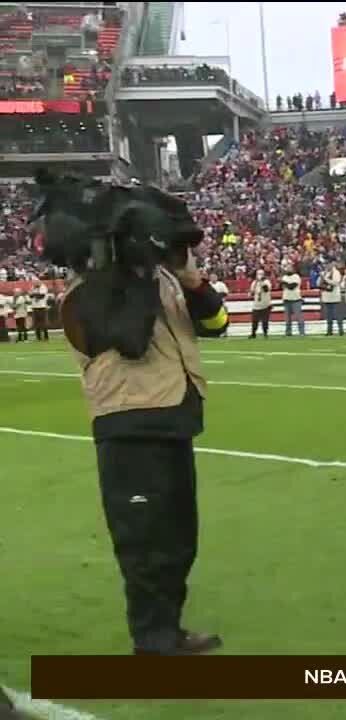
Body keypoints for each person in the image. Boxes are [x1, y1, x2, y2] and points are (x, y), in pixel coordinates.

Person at [61, 248, 229, 655]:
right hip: (129, 420)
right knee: (144, 540)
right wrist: (137, 273)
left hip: (175, 416)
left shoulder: (166, 278)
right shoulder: (90, 290)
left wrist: (191, 279)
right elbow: (131, 340)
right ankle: (152, 640)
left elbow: (215, 324)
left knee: (178, 536)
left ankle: (167, 629)